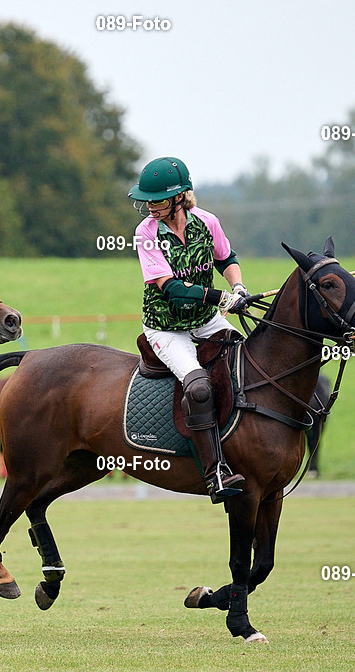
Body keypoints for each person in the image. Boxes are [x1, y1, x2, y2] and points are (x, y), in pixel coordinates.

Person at [128, 157, 250, 503]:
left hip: (205, 319)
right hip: (166, 328)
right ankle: (216, 473)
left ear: (180, 197)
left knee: (250, 363)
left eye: (158, 199)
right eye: (147, 199)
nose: (150, 205)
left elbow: (226, 259)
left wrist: (238, 287)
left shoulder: (207, 222)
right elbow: (171, 288)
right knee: (198, 387)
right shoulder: (146, 233)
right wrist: (222, 298)